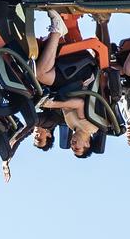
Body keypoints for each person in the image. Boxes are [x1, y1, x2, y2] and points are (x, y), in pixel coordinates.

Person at [35, 10, 94, 157]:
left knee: (34, 77)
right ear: (87, 144)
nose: (72, 145)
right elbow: (79, 103)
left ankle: (67, 15)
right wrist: (52, 104)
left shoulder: (72, 125)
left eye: (72, 148)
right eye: (77, 148)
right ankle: (57, 30)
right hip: (82, 77)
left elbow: (66, 103)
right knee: (41, 74)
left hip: (70, 84)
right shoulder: (90, 127)